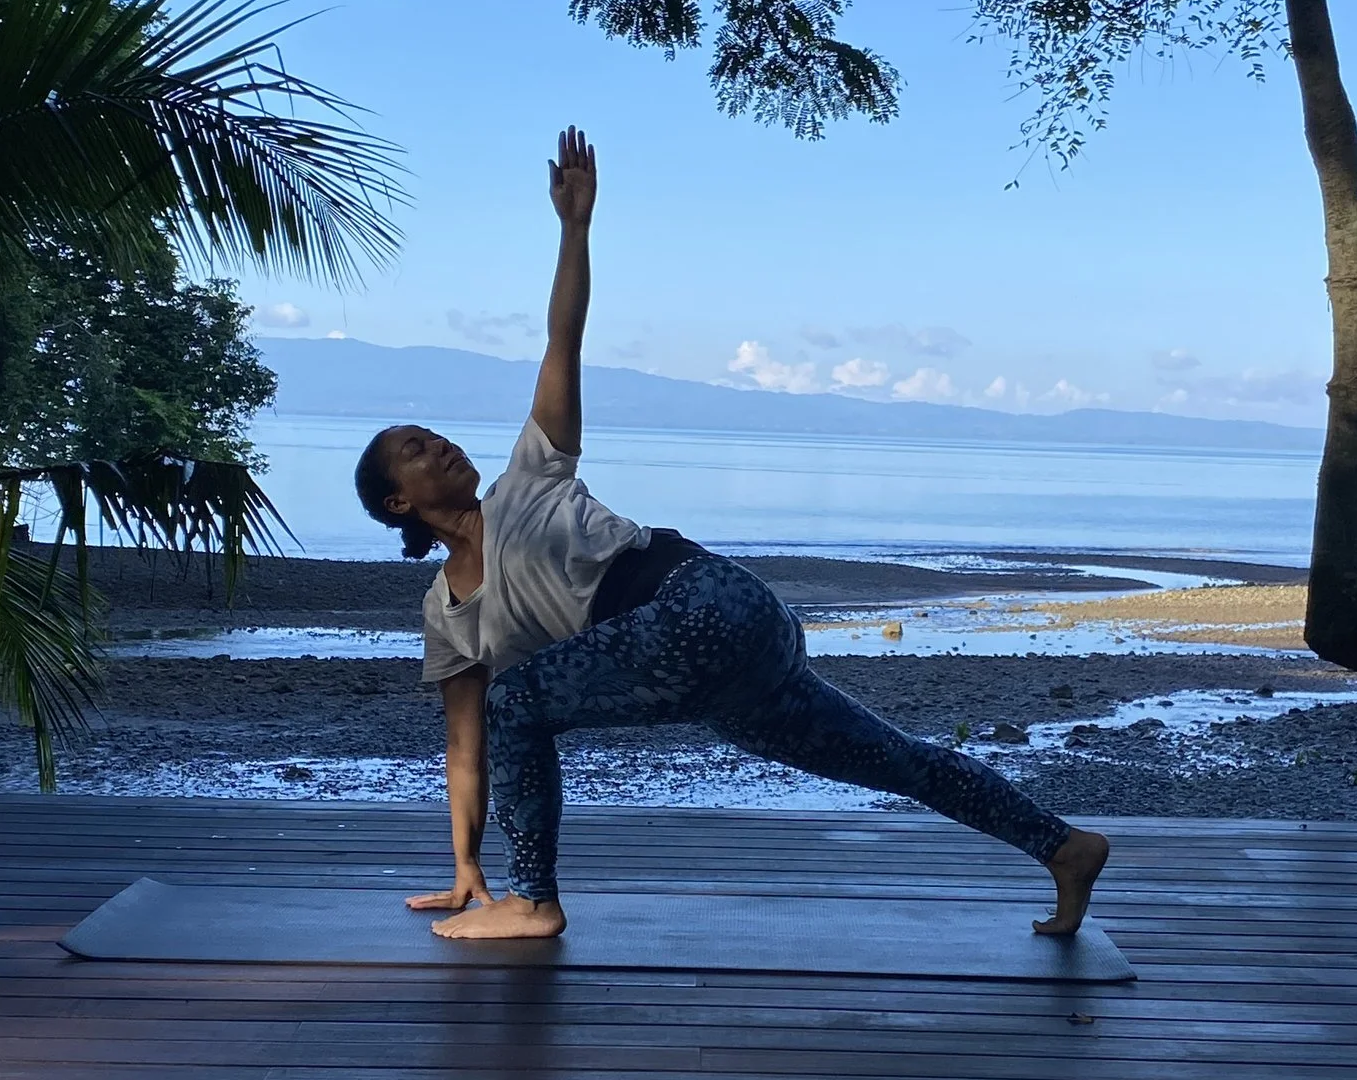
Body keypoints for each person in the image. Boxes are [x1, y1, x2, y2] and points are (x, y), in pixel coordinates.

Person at [354, 128, 1112, 942]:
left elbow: (561, 341)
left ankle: (534, 900)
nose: (439, 445)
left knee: (521, 698)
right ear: (398, 502)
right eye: (416, 449)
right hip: (728, 673)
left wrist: (574, 229)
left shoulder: (529, 475)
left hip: (701, 602)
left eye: (434, 435)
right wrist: (465, 865)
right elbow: (467, 745)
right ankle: (1063, 845)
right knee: (892, 757)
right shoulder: (449, 613)